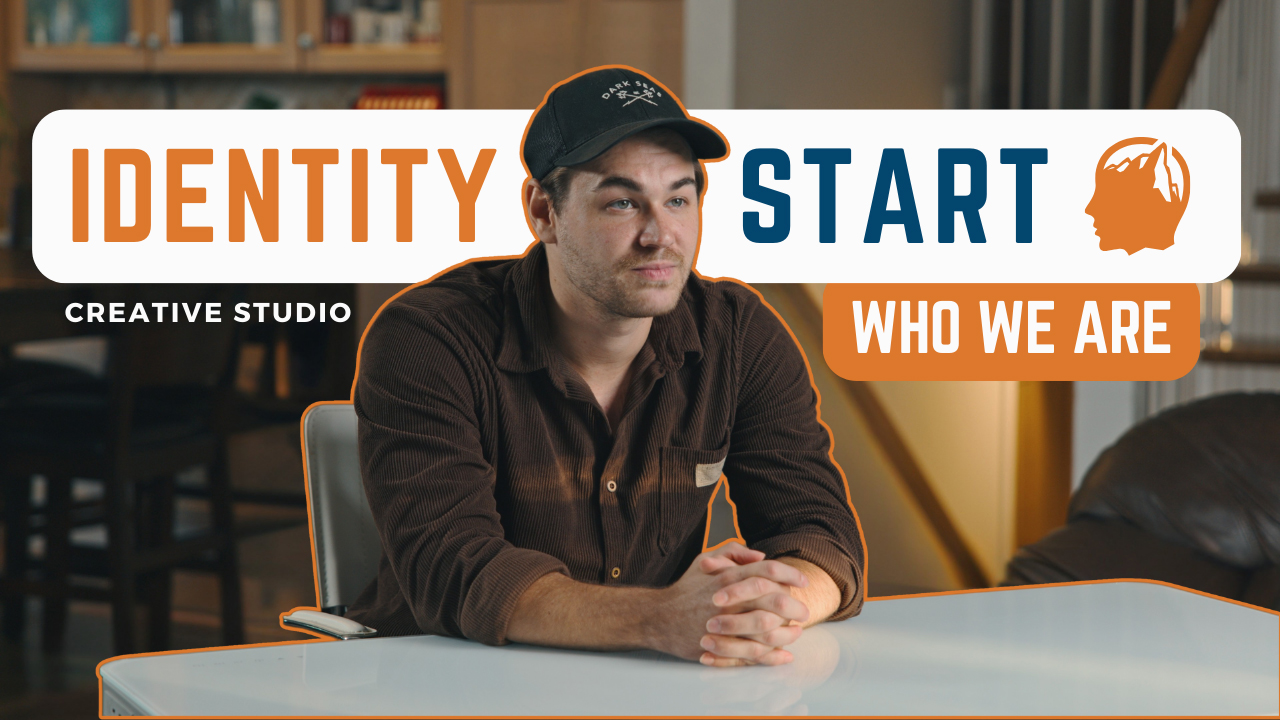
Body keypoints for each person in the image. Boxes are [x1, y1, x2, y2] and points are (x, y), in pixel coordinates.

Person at [346, 66, 865, 667]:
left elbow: (821, 535)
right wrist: (661, 619)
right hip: (444, 683)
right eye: (622, 203)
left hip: (650, 684)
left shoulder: (739, 335)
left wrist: (766, 606)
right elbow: (455, 572)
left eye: (678, 199)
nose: (660, 235)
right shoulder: (430, 339)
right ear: (544, 212)